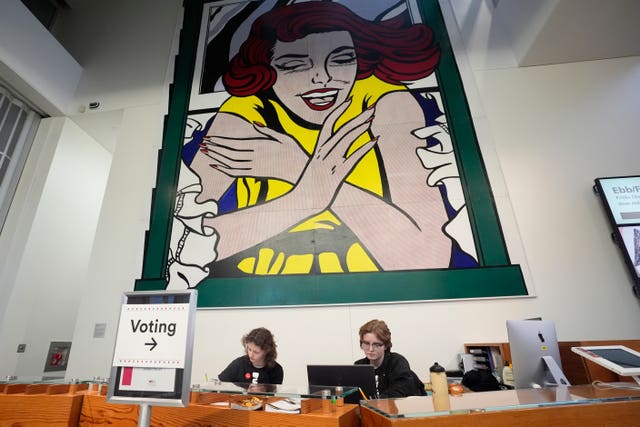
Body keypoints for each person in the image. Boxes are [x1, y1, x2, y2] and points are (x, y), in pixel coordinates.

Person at [174, 1, 463, 282]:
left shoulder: (386, 102)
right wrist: (305, 197)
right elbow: (186, 245)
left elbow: (429, 256)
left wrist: (298, 167)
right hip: (261, 285)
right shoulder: (245, 113)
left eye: (341, 60)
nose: (321, 79)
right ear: (268, 69)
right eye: (293, 65)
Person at [354, 319, 425, 398]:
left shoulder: (397, 362)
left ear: (386, 345)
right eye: (367, 343)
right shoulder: (359, 366)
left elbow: (398, 393)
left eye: (376, 344)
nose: (370, 349)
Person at [218, 327, 284, 384]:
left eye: (256, 352)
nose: (251, 355)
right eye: (249, 349)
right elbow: (220, 385)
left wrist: (264, 390)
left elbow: (274, 396)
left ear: (267, 351)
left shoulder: (276, 370)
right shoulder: (239, 364)